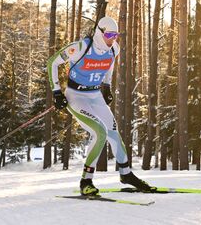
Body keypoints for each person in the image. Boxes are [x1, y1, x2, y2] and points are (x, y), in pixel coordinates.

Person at [47, 16, 154, 195]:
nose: (113, 39)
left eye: (116, 35)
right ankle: (86, 181)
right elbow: (53, 62)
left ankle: (126, 174)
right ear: (100, 32)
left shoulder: (114, 50)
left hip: (95, 95)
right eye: (110, 35)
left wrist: (107, 87)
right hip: (76, 97)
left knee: (113, 132)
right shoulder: (81, 47)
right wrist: (57, 91)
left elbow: (108, 67)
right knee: (100, 132)